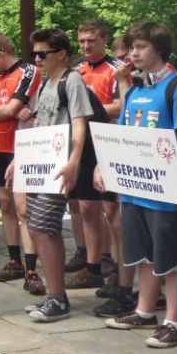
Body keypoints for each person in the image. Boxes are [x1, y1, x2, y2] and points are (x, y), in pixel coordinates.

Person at [99, 21, 177, 347]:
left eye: (140, 46)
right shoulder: (135, 90)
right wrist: (103, 166)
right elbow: (124, 134)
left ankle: (174, 323)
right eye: (131, 47)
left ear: (160, 48)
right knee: (143, 255)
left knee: (173, 257)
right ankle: (144, 312)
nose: (133, 53)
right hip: (136, 189)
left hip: (167, 190)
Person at [9, 28, 92, 322]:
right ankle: (56, 293)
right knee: (37, 228)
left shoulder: (72, 81)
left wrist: (73, 162)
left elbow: (79, 124)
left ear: (61, 54)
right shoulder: (46, 83)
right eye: (34, 54)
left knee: (44, 229)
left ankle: (58, 298)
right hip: (39, 165)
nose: (37, 59)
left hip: (56, 167)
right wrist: (18, 159)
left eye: (42, 54)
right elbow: (38, 126)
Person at [0, 34, 44, 296]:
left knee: (23, 208)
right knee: (5, 204)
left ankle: (32, 269)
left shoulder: (28, 71)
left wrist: (6, 110)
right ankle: (14, 261)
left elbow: (6, 110)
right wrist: (5, 110)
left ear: (0, 53)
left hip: (22, 146)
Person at [66, 20, 123, 296]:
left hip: (111, 144)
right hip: (84, 146)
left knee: (111, 210)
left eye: (92, 40)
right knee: (87, 207)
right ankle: (94, 264)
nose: (86, 46)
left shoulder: (117, 68)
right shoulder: (76, 71)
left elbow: (122, 105)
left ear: (104, 40)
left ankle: (118, 266)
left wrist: (87, 109)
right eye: (82, 41)